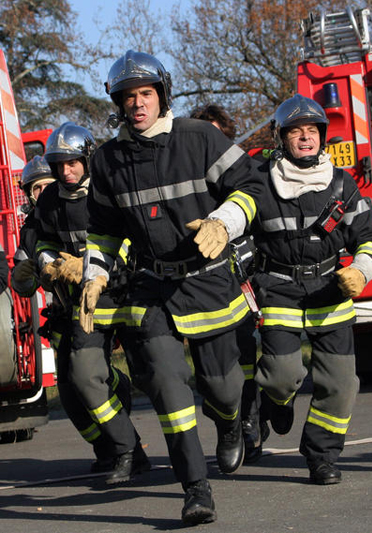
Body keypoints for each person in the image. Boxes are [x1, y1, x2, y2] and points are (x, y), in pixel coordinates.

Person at [80, 51, 263, 525]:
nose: (137, 104)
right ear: (118, 103)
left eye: (145, 94)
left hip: (208, 280)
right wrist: (94, 274)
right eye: (128, 97)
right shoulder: (107, 160)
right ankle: (195, 488)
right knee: (165, 383)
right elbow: (102, 230)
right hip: (152, 286)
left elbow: (252, 186)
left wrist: (225, 221)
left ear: (162, 94)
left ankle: (229, 422)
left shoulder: (199, 137)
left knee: (222, 389)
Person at [251, 94, 372, 484]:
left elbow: (369, 236)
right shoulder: (260, 183)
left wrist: (360, 269)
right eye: (296, 132)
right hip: (279, 287)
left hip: (330, 287)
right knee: (280, 375)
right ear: (281, 138)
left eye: (313, 131)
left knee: (341, 384)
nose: (306, 138)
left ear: (323, 138)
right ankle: (273, 400)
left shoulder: (342, 183)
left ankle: (321, 454)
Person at [35, 122, 148, 481]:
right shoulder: (51, 200)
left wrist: (88, 267)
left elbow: (134, 236)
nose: (65, 172)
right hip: (85, 305)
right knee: (83, 377)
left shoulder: (110, 186)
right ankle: (127, 450)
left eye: (72, 163)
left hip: (128, 294)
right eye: (58, 165)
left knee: (155, 374)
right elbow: (41, 240)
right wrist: (48, 262)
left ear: (87, 159)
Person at [190, 103, 269, 463]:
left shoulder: (247, 172)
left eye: (216, 134)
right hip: (207, 281)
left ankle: (252, 424)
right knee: (215, 369)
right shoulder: (188, 179)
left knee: (246, 353)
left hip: (248, 277)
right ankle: (233, 420)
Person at [10, 156, 55, 297]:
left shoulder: (78, 212)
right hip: (62, 306)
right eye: (37, 187)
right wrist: (21, 279)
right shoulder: (29, 232)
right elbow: (27, 289)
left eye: (48, 185)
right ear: (29, 194)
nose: (43, 192)